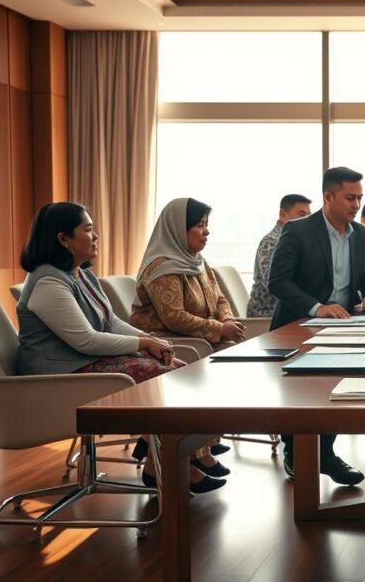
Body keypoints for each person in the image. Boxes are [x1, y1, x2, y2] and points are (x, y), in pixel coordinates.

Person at [15, 202, 224, 494]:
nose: (96, 235)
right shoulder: (48, 281)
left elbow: (110, 322)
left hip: (82, 364)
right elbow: (86, 340)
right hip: (57, 378)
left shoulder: (80, 274)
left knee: (178, 372)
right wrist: (143, 342)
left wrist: (150, 341)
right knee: (163, 380)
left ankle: (159, 463)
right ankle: (175, 464)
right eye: (87, 229)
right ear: (63, 239)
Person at [268, 166, 365, 486]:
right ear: (328, 196)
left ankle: (325, 454)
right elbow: (277, 282)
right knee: (302, 394)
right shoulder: (298, 230)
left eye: (359, 197)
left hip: (342, 325)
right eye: (350, 197)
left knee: (334, 390)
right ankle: (298, 451)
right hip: (298, 324)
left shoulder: (360, 235)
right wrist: (318, 307)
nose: (356, 204)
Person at [131, 198, 242, 476]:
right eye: (199, 226)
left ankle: (199, 449)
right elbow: (173, 317)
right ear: (177, 230)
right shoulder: (161, 267)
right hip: (166, 340)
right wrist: (217, 329)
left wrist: (226, 318)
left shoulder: (197, 262)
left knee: (226, 356)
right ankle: (183, 453)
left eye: (207, 225)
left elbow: (218, 298)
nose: (206, 232)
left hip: (193, 337)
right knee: (209, 358)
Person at [247, 193, 313, 317]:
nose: (307, 220)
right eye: (302, 215)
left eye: (309, 216)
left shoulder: (299, 240)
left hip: (292, 308)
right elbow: (273, 285)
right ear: (283, 214)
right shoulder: (271, 242)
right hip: (268, 313)